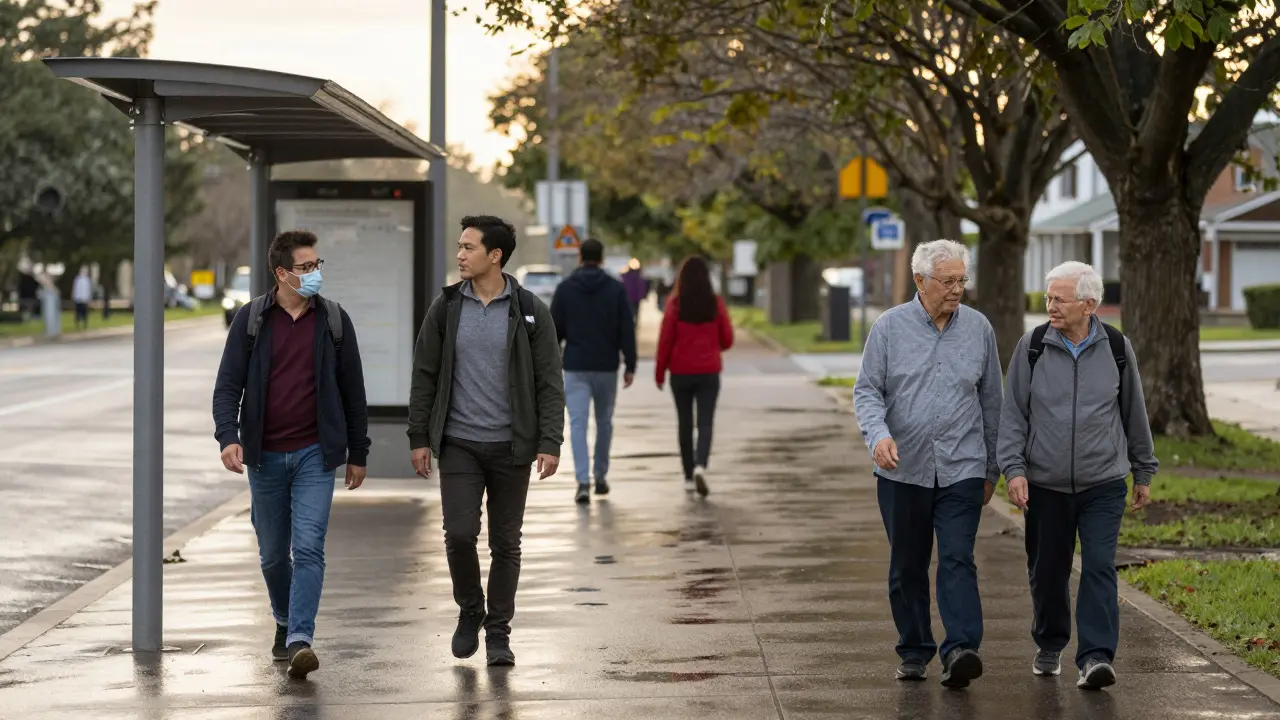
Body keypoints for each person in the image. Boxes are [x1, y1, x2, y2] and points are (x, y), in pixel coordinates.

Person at [407, 215, 565, 667]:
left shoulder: (529, 309)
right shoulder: (447, 306)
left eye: (469, 248)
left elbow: (549, 380)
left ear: (494, 256)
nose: (460, 255)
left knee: (505, 542)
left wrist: (549, 440)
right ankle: (469, 608)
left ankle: (498, 631)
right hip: (458, 441)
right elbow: (425, 373)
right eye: (459, 246)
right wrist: (419, 435)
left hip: (512, 444)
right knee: (459, 534)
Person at [212, 230, 370, 680]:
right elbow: (227, 386)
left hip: (314, 456)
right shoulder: (251, 321)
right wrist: (228, 436)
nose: (316, 273)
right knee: (271, 556)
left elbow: (353, 393)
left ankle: (301, 638)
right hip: (264, 457)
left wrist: (357, 451)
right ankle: (283, 619)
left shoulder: (335, 321)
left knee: (308, 547)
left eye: (319, 265)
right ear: (282, 273)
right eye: (306, 267)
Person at [998, 261, 1158, 691]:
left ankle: (1095, 657)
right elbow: (1012, 414)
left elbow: (1133, 414)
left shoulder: (1117, 348)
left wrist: (1143, 470)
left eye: (1059, 299)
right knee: (1048, 570)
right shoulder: (1032, 346)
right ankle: (1050, 642)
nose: (1050, 305)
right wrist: (1013, 470)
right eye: (1048, 297)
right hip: (1046, 484)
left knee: (1100, 567)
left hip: (1102, 482)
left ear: (1089, 304)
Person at [851, 239, 1002, 689]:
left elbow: (992, 401)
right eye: (948, 281)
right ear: (920, 280)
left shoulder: (979, 329)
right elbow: (866, 391)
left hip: (963, 467)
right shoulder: (889, 328)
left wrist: (993, 467)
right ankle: (914, 649)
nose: (957, 289)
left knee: (957, 558)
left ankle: (961, 649)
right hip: (903, 470)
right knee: (908, 565)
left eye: (962, 280)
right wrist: (878, 437)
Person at [550, 237, 638, 504]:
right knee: (604, 423)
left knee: (577, 424)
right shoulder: (615, 289)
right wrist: (630, 364)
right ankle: (600, 476)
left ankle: (582, 482)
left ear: (580, 257)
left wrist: (552, 363)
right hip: (606, 366)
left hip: (575, 364)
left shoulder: (565, 289)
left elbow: (554, 330)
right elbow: (626, 329)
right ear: (601, 259)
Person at [654, 256, 734, 497]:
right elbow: (727, 339)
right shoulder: (715, 303)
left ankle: (688, 475)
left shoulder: (675, 305)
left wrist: (660, 372)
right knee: (706, 421)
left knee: (685, 423)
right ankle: (701, 464)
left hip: (680, 372)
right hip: (709, 371)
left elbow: (665, 340)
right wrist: (712, 346)